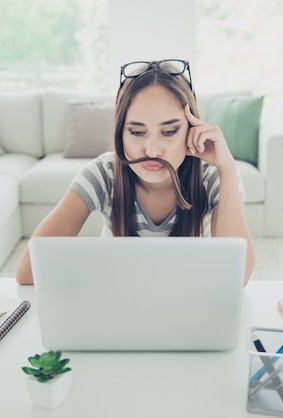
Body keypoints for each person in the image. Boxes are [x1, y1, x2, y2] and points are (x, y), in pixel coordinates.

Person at [16, 59, 255, 285]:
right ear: (120, 133)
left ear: (191, 129)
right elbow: (27, 270)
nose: (152, 150)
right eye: (137, 132)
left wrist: (227, 167)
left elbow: (238, 277)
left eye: (169, 132)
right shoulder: (103, 174)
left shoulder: (213, 177)